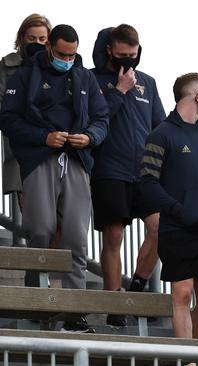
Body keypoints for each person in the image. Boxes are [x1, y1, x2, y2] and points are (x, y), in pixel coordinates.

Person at [0, 24, 110, 332]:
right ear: (50, 47)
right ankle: (36, 300)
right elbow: (7, 118)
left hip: (76, 160)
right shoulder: (24, 75)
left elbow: (102, 117)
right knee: (41, 229)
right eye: (62, 54)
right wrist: (42, 137)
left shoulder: (85, 76)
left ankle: (75, 312)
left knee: (76, 235)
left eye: (72, 54)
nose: (67, 59)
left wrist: (89, 137)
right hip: (39, 158)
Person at [90, 24, 165, 327]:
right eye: (122, 55)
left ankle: (137, 286)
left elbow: (160, 126)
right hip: (109, 169)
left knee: (161, 227)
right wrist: (119, 91)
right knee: (114, 235)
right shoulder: (92, 79)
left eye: (133, 56)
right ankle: (115, 303)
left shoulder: (147, 81)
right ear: (109, 50)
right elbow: (96, 119)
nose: (128, 61)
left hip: (145, 172)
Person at [139, 72, 198, 339]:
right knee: (183, 294)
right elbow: (147, 183)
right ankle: (186, 358)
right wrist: (178, 211)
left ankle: (189, 351)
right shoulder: (160, 134)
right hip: (178, 229)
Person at [0, 14, 51, 198]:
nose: (36, 42)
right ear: (22, 38)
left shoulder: (58, 65)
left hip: (53, 146)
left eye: (42, 38)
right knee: (31, 212)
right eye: (31, 38)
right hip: (20, 146)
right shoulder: (7, 66)